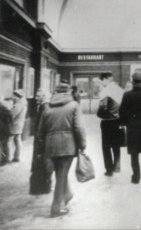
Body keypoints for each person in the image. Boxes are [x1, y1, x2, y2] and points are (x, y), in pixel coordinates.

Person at [37, 83, 86, 217]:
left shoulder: (47, 108)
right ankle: (57, 207)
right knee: (62, 175)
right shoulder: (74, 105)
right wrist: (82, 144)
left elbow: (40, 132)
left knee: (60, 173)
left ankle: (67, 194)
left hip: (51, 146)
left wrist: (44, 146)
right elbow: (78, 128)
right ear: (68, 91)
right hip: (67, 145)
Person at [98, 72, 125, 177]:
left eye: (101, 81)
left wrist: (100, 114)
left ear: (105, 79)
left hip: (107, 122)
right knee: (116, 145)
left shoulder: (105, 91)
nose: (102, 83)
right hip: (118, 121)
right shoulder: (120, 90)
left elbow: (102, 109)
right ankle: (117, 166)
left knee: (106, 146)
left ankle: (109, 170)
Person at [30, 88, 53, 194]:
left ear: (44, 97)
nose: (36, 98)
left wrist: (40, 143)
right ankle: (44, 184)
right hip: (42, 140)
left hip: (42, 141)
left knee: (42, 162)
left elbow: (42, 128)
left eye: (38, 96)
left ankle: (43, 185)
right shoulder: (43, 107)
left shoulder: (44, 108)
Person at [6, 90, 27, 163]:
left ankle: (7, 158)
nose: (12, 97)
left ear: (17, 96)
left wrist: (9, 110)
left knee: (9, 141)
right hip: (19, 125)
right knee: (17, 140)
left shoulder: (18, 105)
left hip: (14, 125)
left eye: (13, 96)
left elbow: (12, 115)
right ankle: (16, 157)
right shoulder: (23, 103)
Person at [0, 98, 12, 166]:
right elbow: (10, 120)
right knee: (5, 145)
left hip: (3, 130)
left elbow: (8, 120)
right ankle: (6, 159)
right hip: (5, 130)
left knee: (4, 145)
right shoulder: (6, 110)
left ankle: (4, 160)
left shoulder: (2, 109)